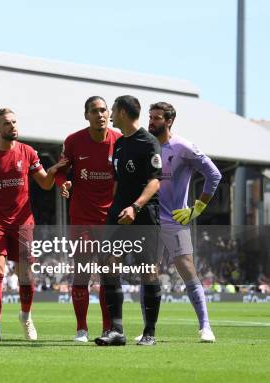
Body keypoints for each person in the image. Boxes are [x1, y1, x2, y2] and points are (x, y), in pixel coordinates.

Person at [0, 108, 68, 341]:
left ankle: (26, 318)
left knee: (26, 277)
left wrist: (53, 171)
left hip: (23, 222)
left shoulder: (28, 152)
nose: (13, 126)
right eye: (7, 123)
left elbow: (46, 185)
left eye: (15, 122)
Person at [148, 101, 221, 342]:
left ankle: (205, 326)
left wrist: (197, 207)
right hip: (148, 219)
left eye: (157, 117)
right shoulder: (145, 146)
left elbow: (214, 174)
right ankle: (149, 330)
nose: (152, 121)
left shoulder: (183, 147)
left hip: (175, 219)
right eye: (150, 117)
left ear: (169, 121)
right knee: (147, 273)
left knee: (186, 268)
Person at [95, 95, 162, 346]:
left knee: (149, 271)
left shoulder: (149, 142)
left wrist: (135, 206)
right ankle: (117, 331)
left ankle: (150, 333)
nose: (110, 113)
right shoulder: (120, 143)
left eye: (112, 109)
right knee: (108, 263)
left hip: (143, 213)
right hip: (119, 213)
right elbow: (118, 182)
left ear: (122, 112)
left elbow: (155, 180)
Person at [55, 96, 121, 342]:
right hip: (81, 217)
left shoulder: (119, 141)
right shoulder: (73, 141)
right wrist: (65, 184)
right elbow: (60, 173)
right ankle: (81, 329)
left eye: (103, 110)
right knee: (81, 273)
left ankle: (107, 328)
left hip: (109, 220)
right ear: (86, 115)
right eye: (94, 111)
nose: (100, 114)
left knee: (108, 275)